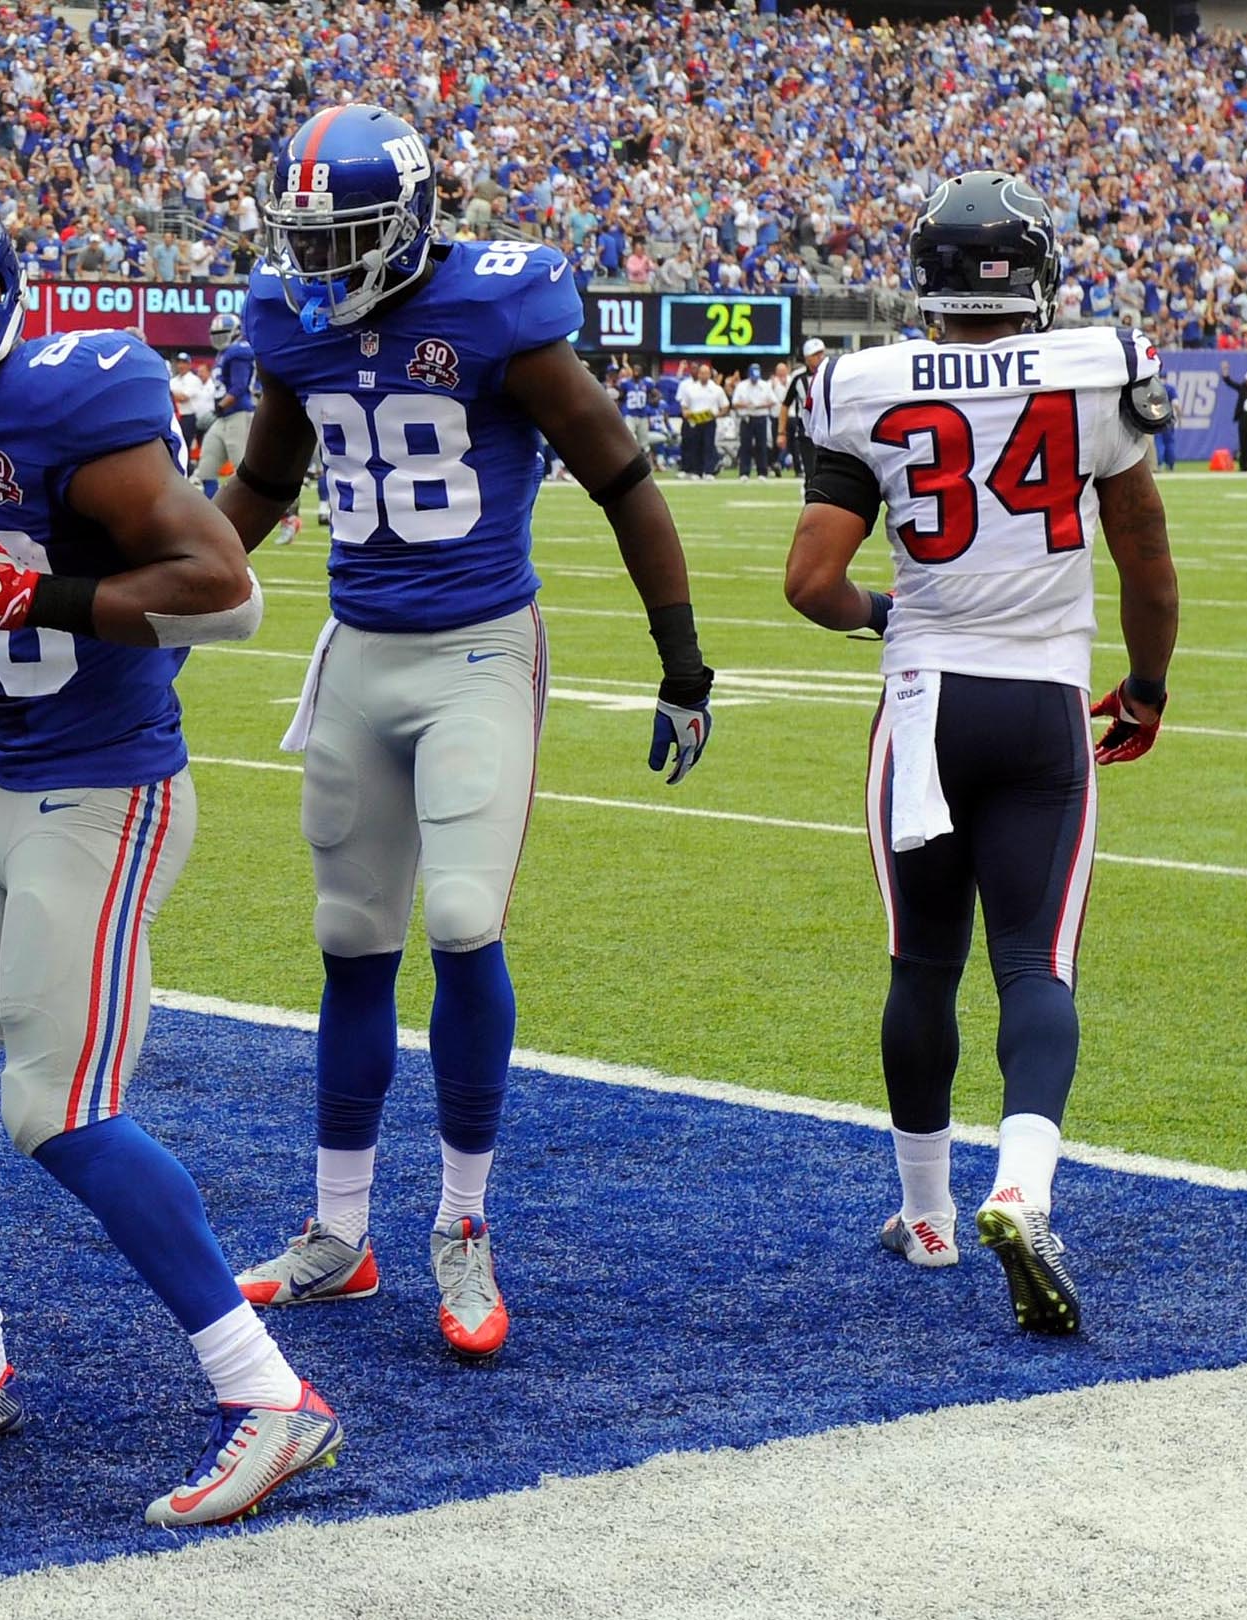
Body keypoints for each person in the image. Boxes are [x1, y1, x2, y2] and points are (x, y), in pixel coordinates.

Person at [0, 181, 341, 1528]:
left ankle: (272, 1399)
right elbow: (0, 608)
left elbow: (224, 592)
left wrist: (20, 600)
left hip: (102, 796)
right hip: (3, 780)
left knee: (56, 1107)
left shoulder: (71, 393)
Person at [214, 105, 715, 1361]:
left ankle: (464, 1226)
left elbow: (622, 475)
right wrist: (160, 593)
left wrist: (681, 660)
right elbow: (264, 486)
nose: (324, 265)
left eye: (351, 238)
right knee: (347, 939)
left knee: (460, 920)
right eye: (309, 240)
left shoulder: (497, 307)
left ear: (415, 220)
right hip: (358, 652)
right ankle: (339, 1234)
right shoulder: (291, 323)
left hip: (480, 648)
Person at [784, 170, 1179, 1336]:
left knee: (921, 965)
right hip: (1042, 701)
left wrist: (887, 622)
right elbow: (1147, 562)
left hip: (924, 703)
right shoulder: (1096, 369)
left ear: (929, 282)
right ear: (1038, 278)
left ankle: (929, 1214)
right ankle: (1023, 1186)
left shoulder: (858, 383)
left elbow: (809, 583)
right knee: (1034, 966)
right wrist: (1148, 686)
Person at [195, 309, 253, 498]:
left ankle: (256, 515)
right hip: (223, 417)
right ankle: (214, 514)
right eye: (216, 334)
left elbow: (238, 387)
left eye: (222, 334)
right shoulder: (223, 354)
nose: (219, 339)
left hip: (238, 414)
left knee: (242, 470)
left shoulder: (239, 351)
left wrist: (218, 408)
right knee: (206, 469)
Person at [781, 338, 826, 473]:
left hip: (826, 429)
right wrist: (781, 432)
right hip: (806, 430)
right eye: (816, 355)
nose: (820, 357)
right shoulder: (798, 379)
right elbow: (785, 405)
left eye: (821, 353)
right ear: (807, 358)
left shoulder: (830, 375)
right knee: (810, 469)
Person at [677, 362, 726, 477]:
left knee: (709, 445)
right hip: (695, 421)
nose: (704, 375)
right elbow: (684, 405)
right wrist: (685, 413)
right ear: (698, 375)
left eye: (706, 373)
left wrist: (717, 415)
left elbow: (725, 405)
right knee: (695, 446)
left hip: (709, 420)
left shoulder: (716, 389)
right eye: (702, 373)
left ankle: (708, 471)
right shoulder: (690, 389)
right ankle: (696, 471)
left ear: (709, 375)